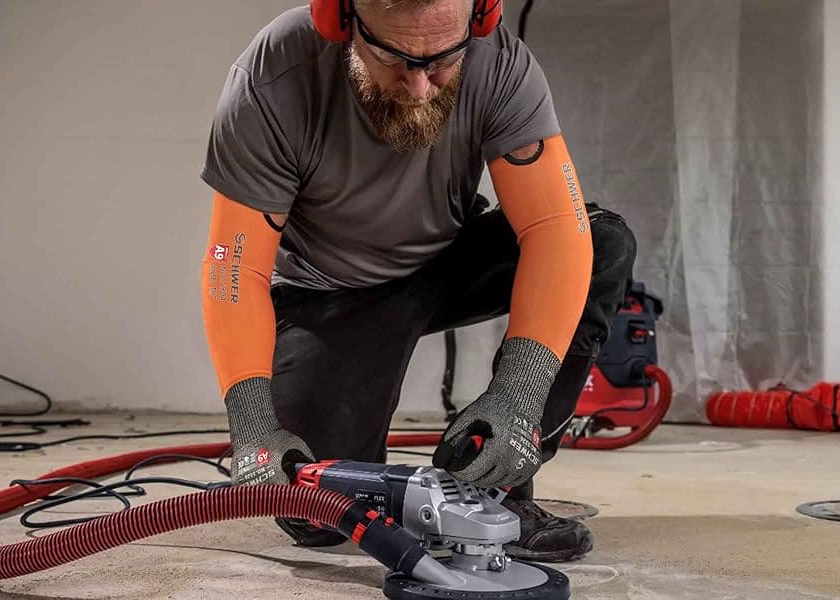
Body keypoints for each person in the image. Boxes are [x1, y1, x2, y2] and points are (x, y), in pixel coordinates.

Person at [197, 0, 635, 563]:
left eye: (443, 59)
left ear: (477, 20)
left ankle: (493, 490)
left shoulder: (500, 64)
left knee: (602, 243)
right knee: (319, 516)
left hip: (445, 261)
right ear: (343, 20)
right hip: (333, 292)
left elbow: (556, 230)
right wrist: (253, 421)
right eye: (394, 58)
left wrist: (521, 395)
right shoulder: (272, 79)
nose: (422, 86)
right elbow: (236, 268)